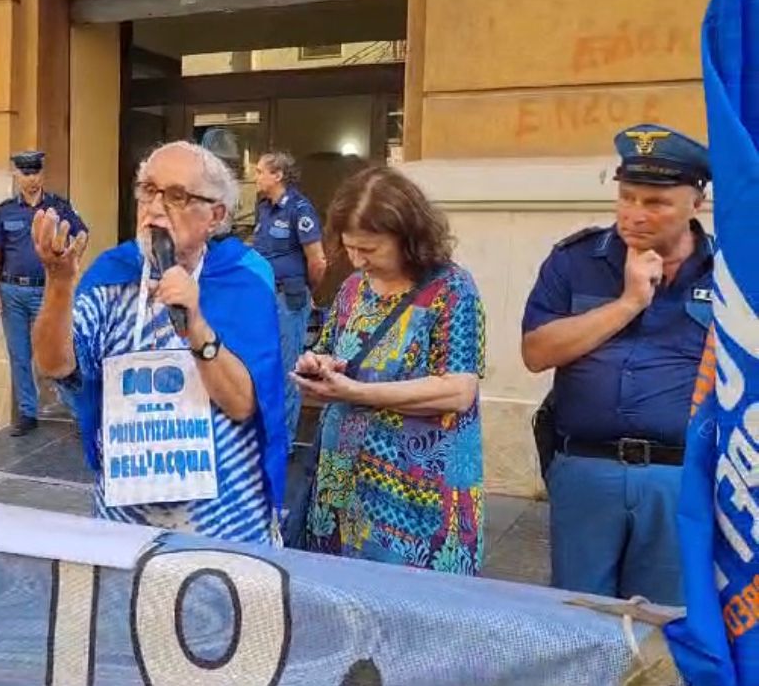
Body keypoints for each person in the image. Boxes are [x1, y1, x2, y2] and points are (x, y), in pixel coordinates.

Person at [31, 141, 289, 545]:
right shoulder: (112, 274)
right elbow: (54, 363)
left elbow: (242, 404)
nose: (154, 206)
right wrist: (59, 283)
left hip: (224, 527)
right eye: (148, 190)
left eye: (176, 196)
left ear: (215, 216)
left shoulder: (246, 278)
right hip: (125, 526)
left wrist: (196, 325)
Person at [521, 123, 713, 606]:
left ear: (697, 202)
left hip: (681, 476)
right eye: (627, 197)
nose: (635, 215)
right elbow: (537, 352)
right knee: (578, 615)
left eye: (655, 203)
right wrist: (628, 302)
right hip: (586, 468)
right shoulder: (575, 259)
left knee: (663, 623)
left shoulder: (732, 271)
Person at [292, 166, 486, 575]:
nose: (358, 260)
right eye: (350, 248)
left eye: (370, 249)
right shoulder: (353, 288)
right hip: (342, 489)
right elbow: (331, 348)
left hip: (418, 499)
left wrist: (355, 393)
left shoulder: (452, 291)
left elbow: (457, 390)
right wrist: (318, 364)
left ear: (409, 239)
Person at [0, 151, 88, 436]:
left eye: (35, 173)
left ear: (42, 174)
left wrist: (68, 269)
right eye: (25, 173)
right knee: (20, 356)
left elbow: (81, 235)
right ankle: (27, 414)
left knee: (58, 355)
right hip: (12, 291)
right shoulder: (6, 210)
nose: (31, 179)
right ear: (17, 176)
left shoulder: (59, 207)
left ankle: (81, 413)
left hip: (46, 292)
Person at [251, 152, 327, 443]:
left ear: (278, 175)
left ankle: (284, 440)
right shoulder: (264, 208)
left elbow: (318, 260)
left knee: (286, 370)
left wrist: (307, 289)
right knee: (262, 365)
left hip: (288, 298)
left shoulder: (299, 209)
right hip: (262, 299)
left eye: (260, 171)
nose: (256, 176)